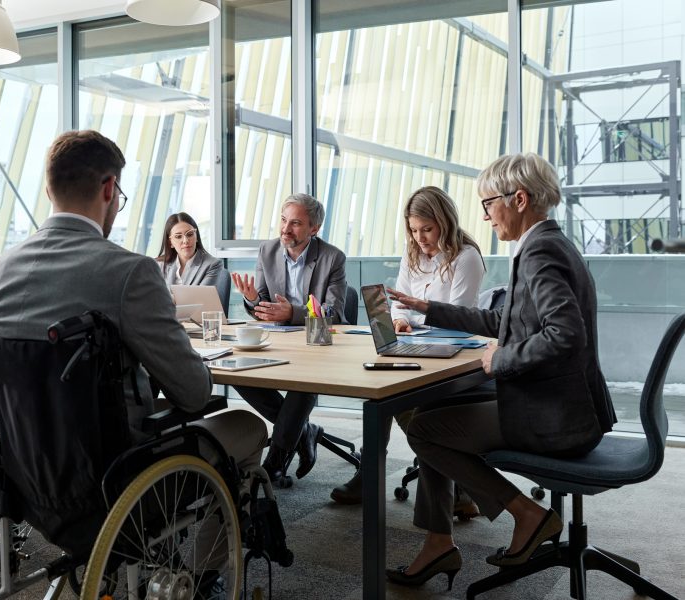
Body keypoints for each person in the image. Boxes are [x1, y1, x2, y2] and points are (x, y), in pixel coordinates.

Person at [0, 130, 267, 573]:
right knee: (246, 425)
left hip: (25, 475)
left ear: (49, 187)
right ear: (110, 188)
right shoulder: (130, 272)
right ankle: (204, 573)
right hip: (113, 481)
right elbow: (192, 393)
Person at [384, 153, 616, 589]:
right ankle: (439, 541)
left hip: (553, 415)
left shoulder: (539, 251)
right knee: (433, 407)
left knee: (423, 431)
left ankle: (526, 514)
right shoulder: (548, 243)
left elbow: (565, 333)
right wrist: (430, 308)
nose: (486, 215)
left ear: (520, 199)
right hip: (562, 402)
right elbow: (502, 322)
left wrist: (501, 359)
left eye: (489, 203)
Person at [330, 186, 486, 506]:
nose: (420, 238)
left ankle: (452, 476)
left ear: (445, 222)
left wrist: (412, 319)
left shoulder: (467, 257)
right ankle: (438, 476)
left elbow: (455, 319)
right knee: (381, 382)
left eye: (427, 229)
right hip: (417, 345)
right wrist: (400, 319)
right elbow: (400, 303)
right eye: (414, 230)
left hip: (451, 355)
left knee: (392, 397)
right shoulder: (412, 253)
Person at [231, 193, 347, 484]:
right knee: (237, 372)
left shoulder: (333, 257)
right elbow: (263, 307)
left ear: (313, 229)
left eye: (295, 223)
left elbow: (333, 312)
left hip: (316, 343)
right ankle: (305, 431)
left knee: (301, 386)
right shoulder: (267, 251)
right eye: (283, 220)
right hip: (278, 340)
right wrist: (253, 299)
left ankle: (274, 464)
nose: (285, 229)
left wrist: (292, 313)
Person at [156, 212, 226, 303]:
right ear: (170, 243)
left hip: (195, 317)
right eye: (178, 236)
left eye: (189, 234)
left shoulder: (212, 264)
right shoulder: (159, 265)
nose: (185, 241)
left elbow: (199, 301)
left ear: (196, 237)